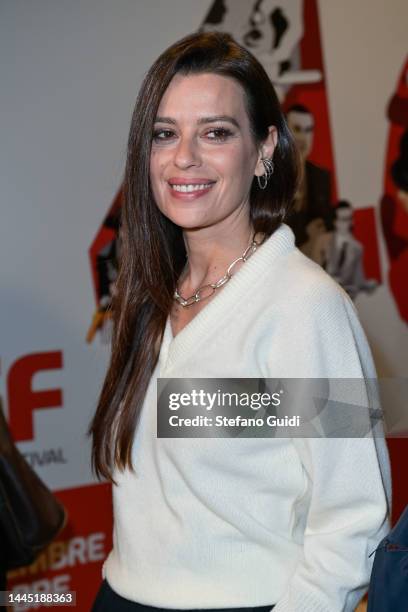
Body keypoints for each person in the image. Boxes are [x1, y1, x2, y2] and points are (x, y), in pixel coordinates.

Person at [89, 31, 391, 611]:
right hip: (122, 595)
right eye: (165, 133)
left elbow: (355, 517)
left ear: (263, 150)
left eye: (216, 132)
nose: (185, 157)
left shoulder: (306, 305)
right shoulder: (151, 292)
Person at [286, 104, 333, 247]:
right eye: (297, 129)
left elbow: (326, 223)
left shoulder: (321, 177)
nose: (303, 138)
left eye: (308, 130)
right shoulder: (269, 176)